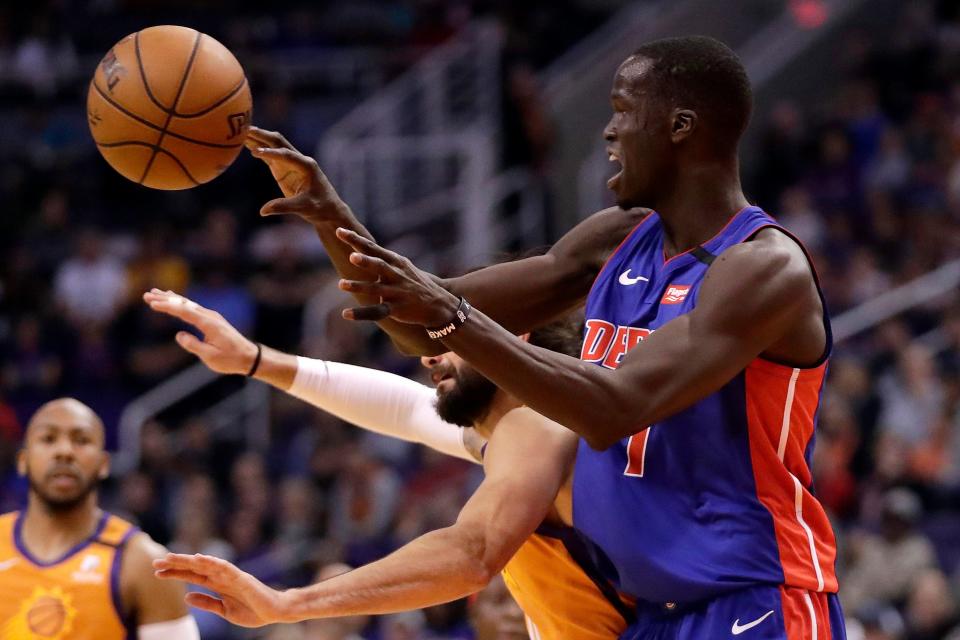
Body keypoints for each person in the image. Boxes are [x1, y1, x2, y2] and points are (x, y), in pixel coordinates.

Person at [235, 35, 845, 639]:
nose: (608, 131)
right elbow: (418, 320)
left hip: (761, 598)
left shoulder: (764, 268)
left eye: (624, 111)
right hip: (653, 615)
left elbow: (613, 408)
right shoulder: (618, 237)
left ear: (681, 126)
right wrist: (332, 219)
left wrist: (452, 315)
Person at [145, 288, 633, 638]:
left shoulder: (534, 425)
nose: (429, 358)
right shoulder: (543, 431)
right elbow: (405, 407)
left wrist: (287, 603)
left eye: (449, 337)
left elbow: (471, 554)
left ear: (513, 337)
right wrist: (255, 360)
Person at [0, 398, 198, 639]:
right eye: (48, 439)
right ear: (23, 461)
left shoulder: (143, 562)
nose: (64, 451)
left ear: (104, 464)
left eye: (81, 440)